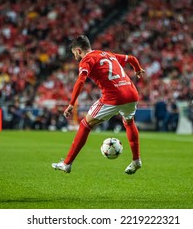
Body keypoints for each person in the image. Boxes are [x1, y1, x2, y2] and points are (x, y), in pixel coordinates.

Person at [52, 35, 145, 174]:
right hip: (132, 93)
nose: (75, 57)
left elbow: (81, 81)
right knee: (129, 122)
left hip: (114, 96)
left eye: (74, 54)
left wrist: (71, 103)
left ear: (78, 51)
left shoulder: (87, 59)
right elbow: (132, 59)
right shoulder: (107, 54)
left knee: (85, 124)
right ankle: (136, 160)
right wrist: (137, 69)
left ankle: (67, 163)